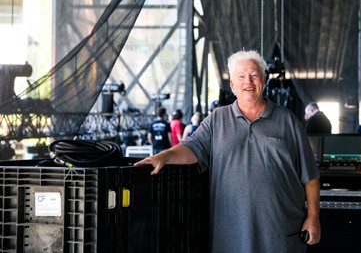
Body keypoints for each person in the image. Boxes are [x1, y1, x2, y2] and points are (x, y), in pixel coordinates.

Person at [135, 49, 320, 252]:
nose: (248, 82)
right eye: (241, 77)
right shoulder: (217, 120)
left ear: (264, 80)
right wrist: (164, 156)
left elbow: (309, 175)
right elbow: (191, 149)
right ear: (232, 84)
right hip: (230, 235)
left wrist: (313, 217)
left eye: (254, 75)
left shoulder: (288, 121)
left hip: (281, 233)